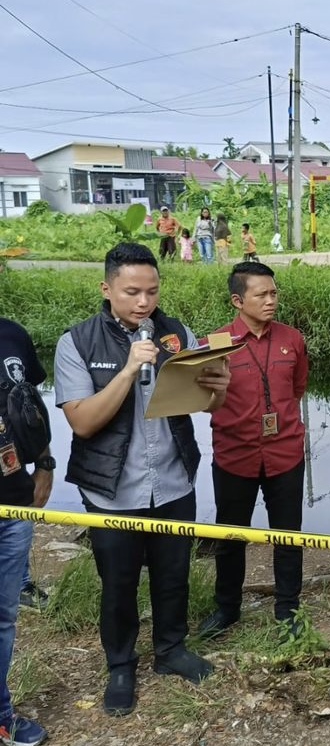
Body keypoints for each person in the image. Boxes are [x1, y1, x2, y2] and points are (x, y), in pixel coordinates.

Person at [53, 243, 231, 717]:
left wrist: (217, 391)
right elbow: (84, 422)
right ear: (106, 288)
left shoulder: (176, 333)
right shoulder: (78, 343)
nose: (143, 302)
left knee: (174, 574)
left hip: (173, 482)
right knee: (118, 583)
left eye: (152, 291)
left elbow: (199, 405)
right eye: (132, 291)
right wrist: (130, 369)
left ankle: (171, 650)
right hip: (112, 490)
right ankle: (121, 664)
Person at [198, 262, 309, 639]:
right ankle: (227, 608)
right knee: (231, 536)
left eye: (274, 293)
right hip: (234, 455)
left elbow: (297, 388)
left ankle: (288, 610)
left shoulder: (292, 339)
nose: (271, 301)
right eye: (261, 294)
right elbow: (204, 399)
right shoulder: (214, 344)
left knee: (288, 535)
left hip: (286, 453)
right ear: (237, 300)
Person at [0, 319, 53, 746]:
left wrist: (45, 463)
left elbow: (29, 403)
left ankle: (1, 713)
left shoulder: (13, 333)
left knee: (3, 617)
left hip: (13, 500)